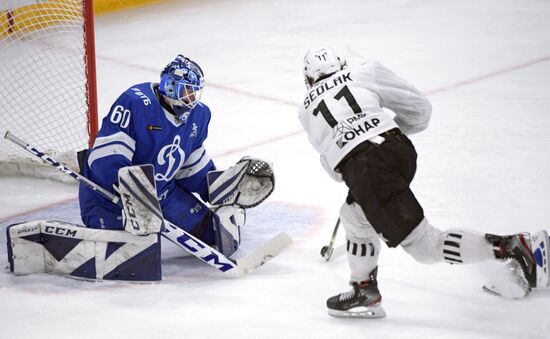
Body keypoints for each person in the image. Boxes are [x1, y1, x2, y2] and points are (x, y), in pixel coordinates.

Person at [298, 47, 548, 318]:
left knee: (424, 246)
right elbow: (419, 109)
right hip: (398, 150)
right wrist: (384, 134)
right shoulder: (364, 71)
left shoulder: (305, 109)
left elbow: (335, 171)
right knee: (353, 215)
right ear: (342, 65)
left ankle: (517, 248)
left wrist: (364, 164)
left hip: (366, 168)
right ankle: (364, 291)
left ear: (308, 80)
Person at [79, 54, 244, 252]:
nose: (191, 100)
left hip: (163, 193)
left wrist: (218, 189)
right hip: (109, 197)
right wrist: (131, 190)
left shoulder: (199, 115)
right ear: (171, 86)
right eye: (186, 92)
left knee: (213, 233)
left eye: (194, 93)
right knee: (130, 252)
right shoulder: (135, 103)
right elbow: (106, 156)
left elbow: (191, 166)